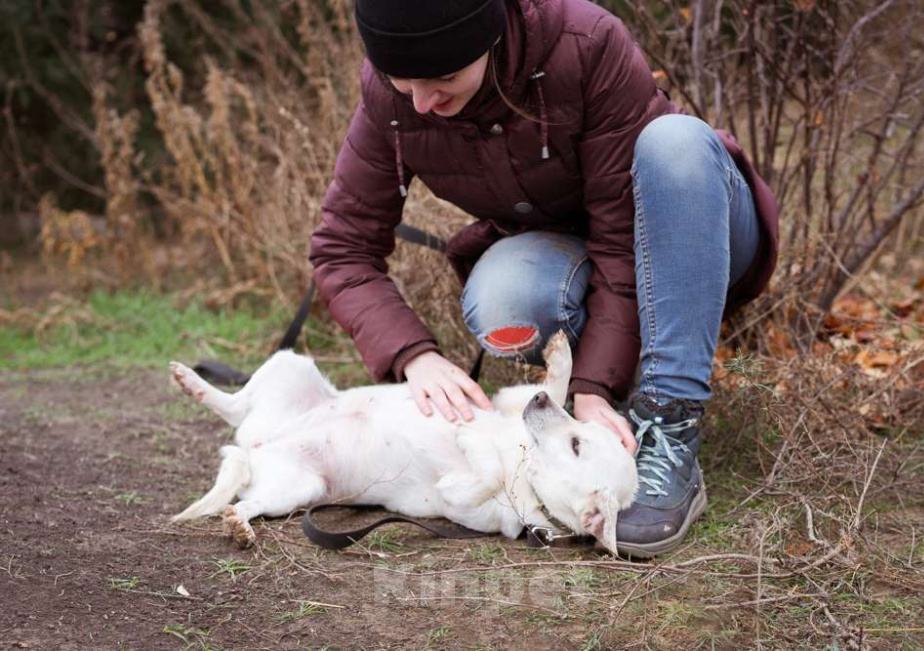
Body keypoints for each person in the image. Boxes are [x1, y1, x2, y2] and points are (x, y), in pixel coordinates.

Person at [309, 0, 778, 558]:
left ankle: (668, 421)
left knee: (674, 141)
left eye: (442, 78)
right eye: (401, 81)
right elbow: (342, 249)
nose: (423, 103)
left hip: (693, 224)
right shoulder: (393, 100)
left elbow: (621, 243)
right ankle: (605, 420)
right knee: (505, 297)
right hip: (574, 250)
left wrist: (592, 383)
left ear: (487, 39)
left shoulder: (584, 42)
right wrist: (413, 355)